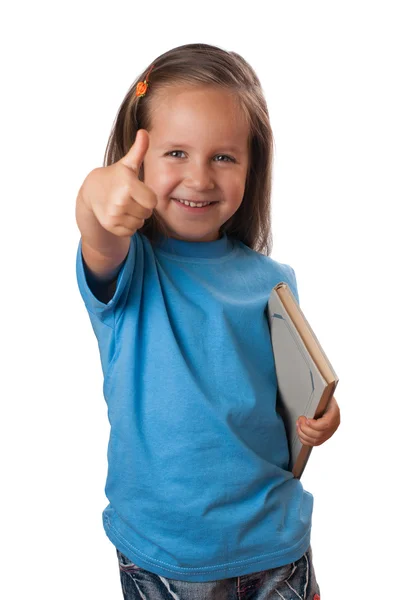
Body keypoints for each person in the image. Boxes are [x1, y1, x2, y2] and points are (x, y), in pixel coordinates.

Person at [75, 42, 340, 600]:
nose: (199, 178)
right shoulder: (130, 269)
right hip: (165, 554)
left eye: (223, 157)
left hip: (276, 544)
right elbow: (98, 233)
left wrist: (323, 413)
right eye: (176, 153)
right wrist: (95, 194)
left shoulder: (275, 280)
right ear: (137, 158)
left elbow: (291, 389)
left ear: (252, 167)